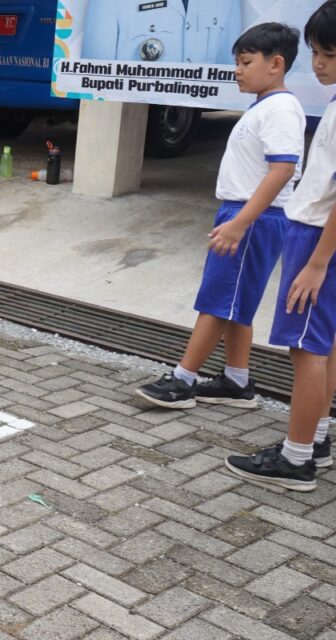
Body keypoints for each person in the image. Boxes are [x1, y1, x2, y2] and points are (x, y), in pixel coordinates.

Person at [136, 23, 304, 410]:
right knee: (234, 302)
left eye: (246, 62)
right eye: (237, 62)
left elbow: (282, 170)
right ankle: (236, 381)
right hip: (247, 215)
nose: (238, 70)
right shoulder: (266, 106)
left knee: (216, 301)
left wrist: (241, 222)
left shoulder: (281, 108)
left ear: (276, 64)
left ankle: (182, 380)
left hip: (254, 218)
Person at [226, 4, 336, 492]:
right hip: (313, 235)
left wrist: (316, 263)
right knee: (324, 347)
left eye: (328, 54)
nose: (318, 64)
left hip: (317, 238)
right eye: (315, 52)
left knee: (305, 348)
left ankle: (296, 460)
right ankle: (316, 438)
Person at [82, 0, 241, 65]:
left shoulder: (227, 2)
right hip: (131, 110)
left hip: (196, 107)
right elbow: (95, 68)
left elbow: (229, 63)